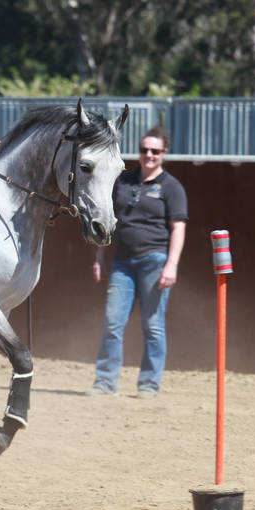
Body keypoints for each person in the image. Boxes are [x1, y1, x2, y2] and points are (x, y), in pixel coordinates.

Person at [87, 126, 187, 397]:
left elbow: (178, 228)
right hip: (122, 264)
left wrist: (171, 265)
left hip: (155, 262)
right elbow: (108, 220)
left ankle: (149, 384)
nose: (149, 155)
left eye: (155, 151)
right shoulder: (123, 182)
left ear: (164, 153)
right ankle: (105, 382)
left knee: (153, 326)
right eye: (145, 150)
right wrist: (99, 256)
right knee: (112, 323)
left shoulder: (171, 187)